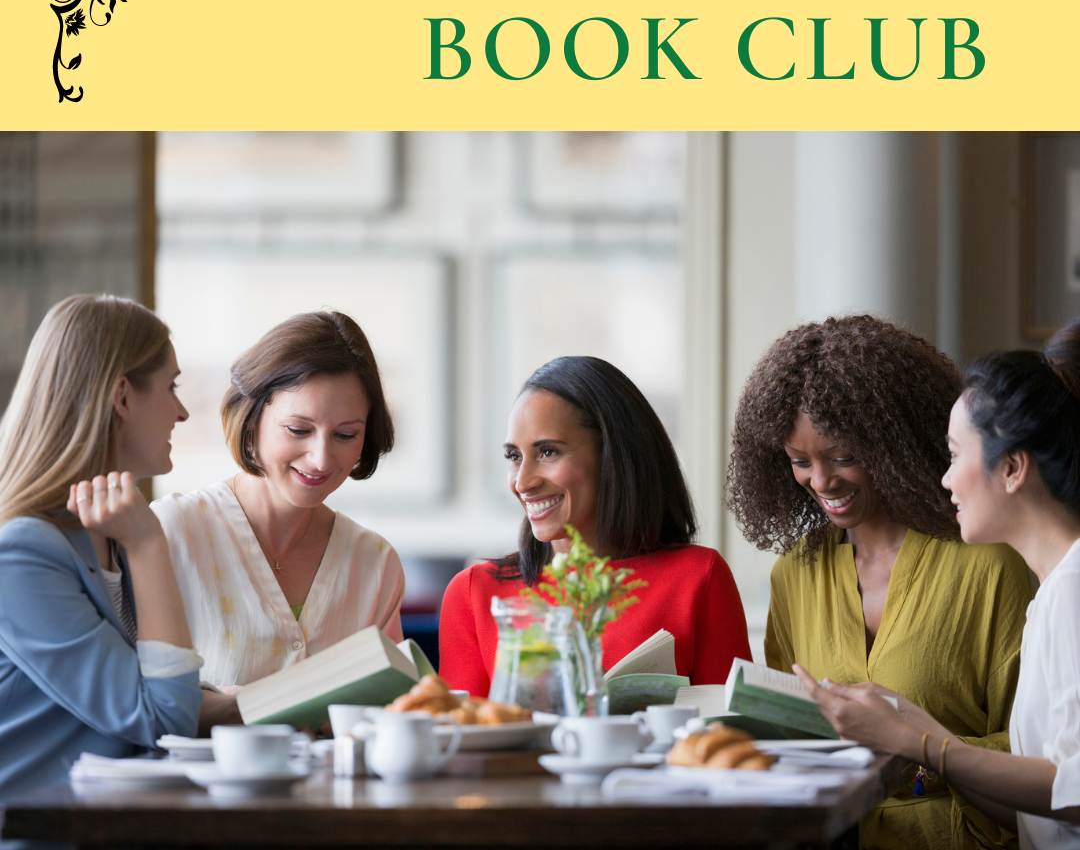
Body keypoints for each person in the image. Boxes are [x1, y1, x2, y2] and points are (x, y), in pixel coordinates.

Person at [725, 315, 1034, 850]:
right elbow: (786, 735)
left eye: (843, 456)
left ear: (895, 440)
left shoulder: (987, 566)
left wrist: (910, 763)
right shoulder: (795, 575)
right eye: (800, 462)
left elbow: (1038, 752)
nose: (821, 481)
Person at [794, 319, 1080, 850]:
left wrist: (920, 743)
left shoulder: (1072, 592)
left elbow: (1074, 793)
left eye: (954, 454)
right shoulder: (1053, 594)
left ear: (1013, 467)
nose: (944, 477)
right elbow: (1032, 813)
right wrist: (916, 725)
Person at [439, 356, 751, 696]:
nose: (522, 482)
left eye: (547, 452)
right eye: (514, 456)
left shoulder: (699, 579)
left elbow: (730, 737)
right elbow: (459, 741)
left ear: (612, 457)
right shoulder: (474, 593)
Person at [0, 295, 205, 802]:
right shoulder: (21, 556)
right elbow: (163, 718)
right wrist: (149, 544)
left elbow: (153, 697)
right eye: (171, 386)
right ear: (122, 397)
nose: (181, 411)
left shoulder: (110, 531)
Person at [152, 310, 405, 689]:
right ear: (251, 418)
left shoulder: (374, 563)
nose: (320, 458)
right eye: (298, 429)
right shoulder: (171, 533)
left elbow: (394, 712)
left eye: (346, 435)